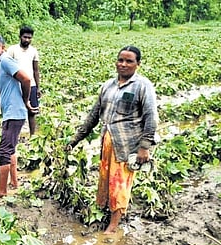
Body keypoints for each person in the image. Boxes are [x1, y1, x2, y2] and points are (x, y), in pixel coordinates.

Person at [66, 46, 158, 234]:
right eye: (121, 60)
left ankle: (113, 225)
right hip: (107, 143)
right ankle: (106, 212)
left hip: (127, 146)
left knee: (119, 183)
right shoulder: (108, 86)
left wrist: (144, 148)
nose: (123, 64)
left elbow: (151, 117)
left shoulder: (142, 86)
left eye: (129, 61)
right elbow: (93, 116)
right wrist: (74, 140)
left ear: (137, 64)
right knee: (105, 179)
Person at [0, 34, 34, 198]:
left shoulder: (5, 61)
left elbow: (26, 79)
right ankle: (14, 183)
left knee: (3, 152)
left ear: (2, 47)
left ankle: (2, 192)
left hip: (14, 113)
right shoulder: (0, 67)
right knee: (10, 150)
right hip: (10, 114)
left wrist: (25, 100)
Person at [7, 26, 41, 136]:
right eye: (25, 37)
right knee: (16, 111)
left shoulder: (34, 51)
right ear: (20, 37)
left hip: (31, 85)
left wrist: (38, 88)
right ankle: (14, 136)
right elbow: (7, 67)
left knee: (32, 112)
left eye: (29, 38)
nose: (27, 40)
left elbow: (36, 70)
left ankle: (32, 136)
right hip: (16, 85)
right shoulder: (12, 50)